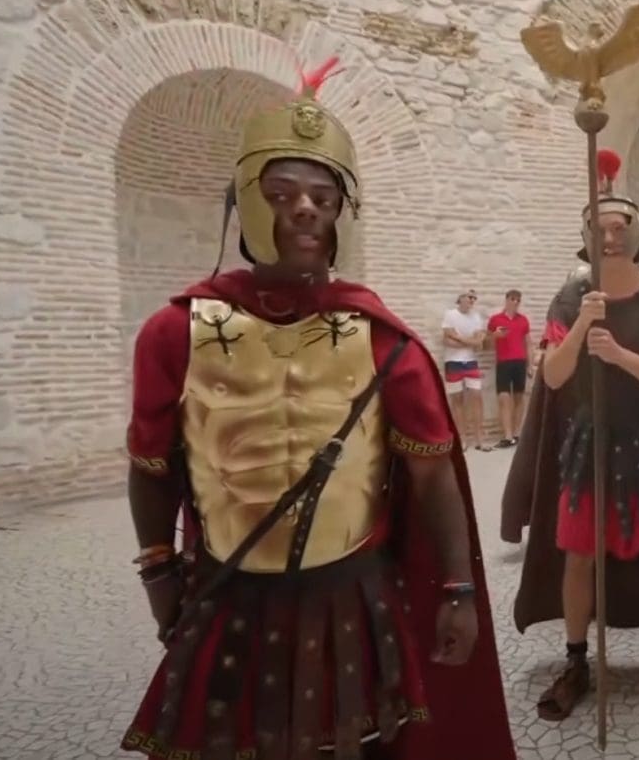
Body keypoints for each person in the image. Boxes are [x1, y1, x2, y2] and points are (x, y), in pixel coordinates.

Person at [119, 56, 515, 760]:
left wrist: (457, 590)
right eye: (281, 193)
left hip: (352, 594)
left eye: (323, 198)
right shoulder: (175, 332)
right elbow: (152, 466)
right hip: (227, 591)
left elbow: (431, 477)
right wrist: (157, 572)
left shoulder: (382, 340)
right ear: (245, 200)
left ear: (341, 216)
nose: (305, 208)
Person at [502, 148, 639, 722]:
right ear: (588, 236)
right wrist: (582, 328)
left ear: (635, 233)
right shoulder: (571, 299)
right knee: (578, 556)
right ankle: (576, 662)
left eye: (620, 228)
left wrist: (618, 354)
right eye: (601, 228)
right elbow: (553, 375)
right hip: (587, 449)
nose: (611, 237)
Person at [441, 290, 489, 451]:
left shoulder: (476, 317)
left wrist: (459, 338)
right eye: (470, 297)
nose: (472, 300)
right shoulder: (450, 314)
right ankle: (462, 438)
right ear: (461, 298)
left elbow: (479, 341)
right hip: (452, 362)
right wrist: (471, 342)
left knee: (477, 397)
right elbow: (446, 339)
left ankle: (480, 439)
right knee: (457, 400)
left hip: (471, 362)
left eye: (475, 298)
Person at [487, 290, 532, 449]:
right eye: (512, 299)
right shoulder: (495, 319)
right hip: (503, 362)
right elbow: (486, 342)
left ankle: (516, 434)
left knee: (519, 398)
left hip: (520, 362)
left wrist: (530, 365)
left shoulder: (523, 320)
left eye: (518, 300)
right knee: (504, 398)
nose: (515, 302)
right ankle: (507, 436)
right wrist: (495, 336)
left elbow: (528, 343)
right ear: (506, 300)